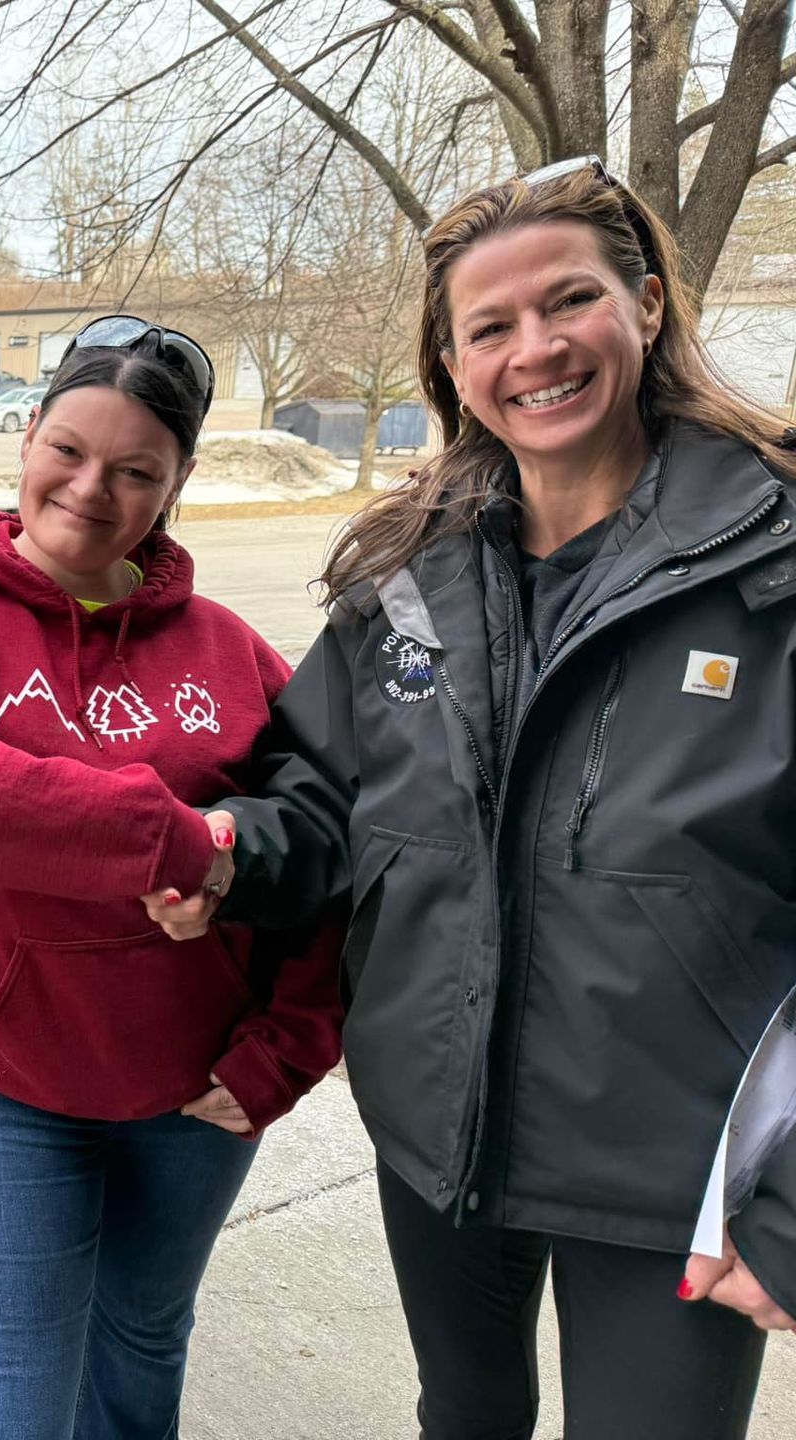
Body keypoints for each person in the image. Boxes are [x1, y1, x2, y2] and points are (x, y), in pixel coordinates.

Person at [157, 158, 796, 1437]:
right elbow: (324, 800)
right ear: (451, 365)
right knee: (465, 1416)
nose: (535, 350)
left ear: (651, 306)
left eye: (570, 303)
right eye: (489, 327)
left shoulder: (773, 558)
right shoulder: (411, 580)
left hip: (674, 1166)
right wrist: (234, 852)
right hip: (441, 1134)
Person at [0, 318, 343, 1440]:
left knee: (141, 1358)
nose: (89, 489)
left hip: (198, 1094)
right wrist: (175, 840)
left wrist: (293, 1045)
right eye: (68, 450)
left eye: (135, 471)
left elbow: (328, 849)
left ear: (178, 484)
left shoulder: (231, 651)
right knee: (11, 1406)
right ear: (27, 438)